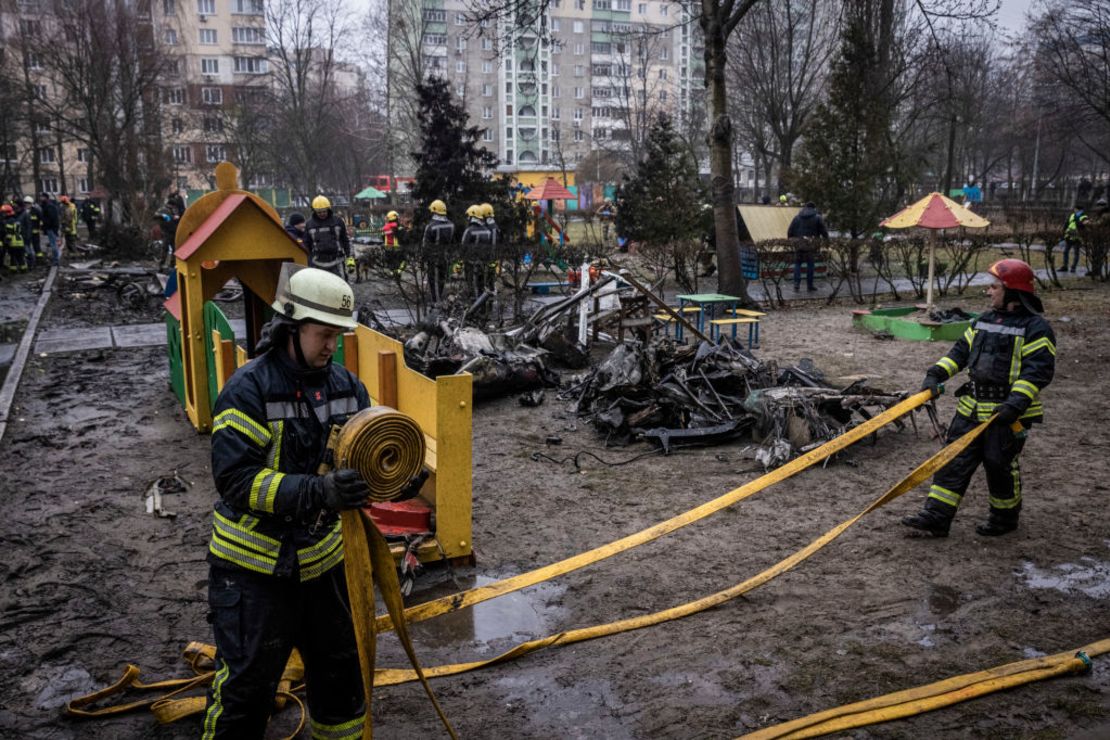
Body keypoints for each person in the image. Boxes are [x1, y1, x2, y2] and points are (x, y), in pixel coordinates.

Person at [202, 264, 370, 738]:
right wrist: (317, 491)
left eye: (338, 335)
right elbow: (235, 481)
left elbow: (366, 447)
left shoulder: (346, 386)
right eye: (323, 334)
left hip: (321, 567)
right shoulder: (248, 389)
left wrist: (393, 471)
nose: (331, 346)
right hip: (253, 573)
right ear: (291, 328)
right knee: (245, 692)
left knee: (341, 682)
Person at [902, 258, 1056, 538]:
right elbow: (960, 354)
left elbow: (1038, 371)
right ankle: (936, 517)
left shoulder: (1036, 328)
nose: (989, 292)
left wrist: (1015, 404)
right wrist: (935, 374)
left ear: (1012, 292)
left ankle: (1004, 518)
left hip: (1006, 414)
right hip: (970, 408)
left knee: (999, 465)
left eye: (994, 287)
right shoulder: (982, 321)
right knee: (953, 460)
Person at [302, 196, 352, 280]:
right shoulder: (309, 224)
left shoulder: (338, 221)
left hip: (337, 261)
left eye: (324, 211)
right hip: (317, 262)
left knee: (340, 286)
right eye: (319, 212)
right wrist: (308, 261)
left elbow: (345, 240)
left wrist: (350, 259)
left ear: (328, 209)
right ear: (314, 211)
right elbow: (307, 244)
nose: (322, 214)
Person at [787, 201, 828, 292]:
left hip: (799, 244)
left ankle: (796, 285)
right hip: (811, 244)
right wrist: (827, 240)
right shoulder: (817, 218)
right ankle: (810, 286)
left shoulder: (796, 218)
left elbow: (790, 231)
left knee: (797, 264)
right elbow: (823, 231)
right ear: (814, 208)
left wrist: (792, 241)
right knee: (810, 264)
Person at [422, 199, 454, 303]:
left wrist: (422, 260)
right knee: (441, 281)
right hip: (445, 258)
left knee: (434, 282)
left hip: (434, 259)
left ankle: (437, 305)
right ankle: (439, 303)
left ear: (434, 211)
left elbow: (425, 245)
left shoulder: (431, 226)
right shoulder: (451, 225)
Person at [460, 204, 492, 301]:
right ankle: (483, 309)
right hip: (484, 263)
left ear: (472, 216)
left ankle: (475, 310)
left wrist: (460, 261)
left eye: (469, 216)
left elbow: (463, 247)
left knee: (473, 287)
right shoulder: (487, 231)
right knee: (482, 286)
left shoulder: (469, 230)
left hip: (471, 264)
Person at [1061, 204, 1089, 273]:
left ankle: (1073, 267)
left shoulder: (1084, 216)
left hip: (1078, 237)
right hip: (1069, 236)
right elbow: (1067, 223)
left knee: (1076, 253)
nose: (1074, 210)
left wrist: (1077, 221)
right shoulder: (1072, 215)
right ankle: (1065, 266)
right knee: (1065, 252)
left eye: (1076, 209)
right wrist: (1063, 230)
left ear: (1079, 210)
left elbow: (1084, 225)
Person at [3, 204, 28, 273]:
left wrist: (7, 242)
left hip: (13, 242)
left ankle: (13, 270)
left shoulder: (9, 221)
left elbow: (9, 234)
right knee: (20, 257)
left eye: (4, 213)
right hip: (20, 241)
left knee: (13, 257)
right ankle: (24, 269)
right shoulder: (16, 220)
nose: (3, 214)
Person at [38, 192, 61, 266]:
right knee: (53, 244)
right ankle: (55, 259)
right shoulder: (46, 206)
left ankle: (56, 260)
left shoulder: (49, 206)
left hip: (51, 228)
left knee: (53, 244)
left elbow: (52, 218)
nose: (40, 198)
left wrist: (46, 225)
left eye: (42, 197)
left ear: (46, 198)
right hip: (50, 228)